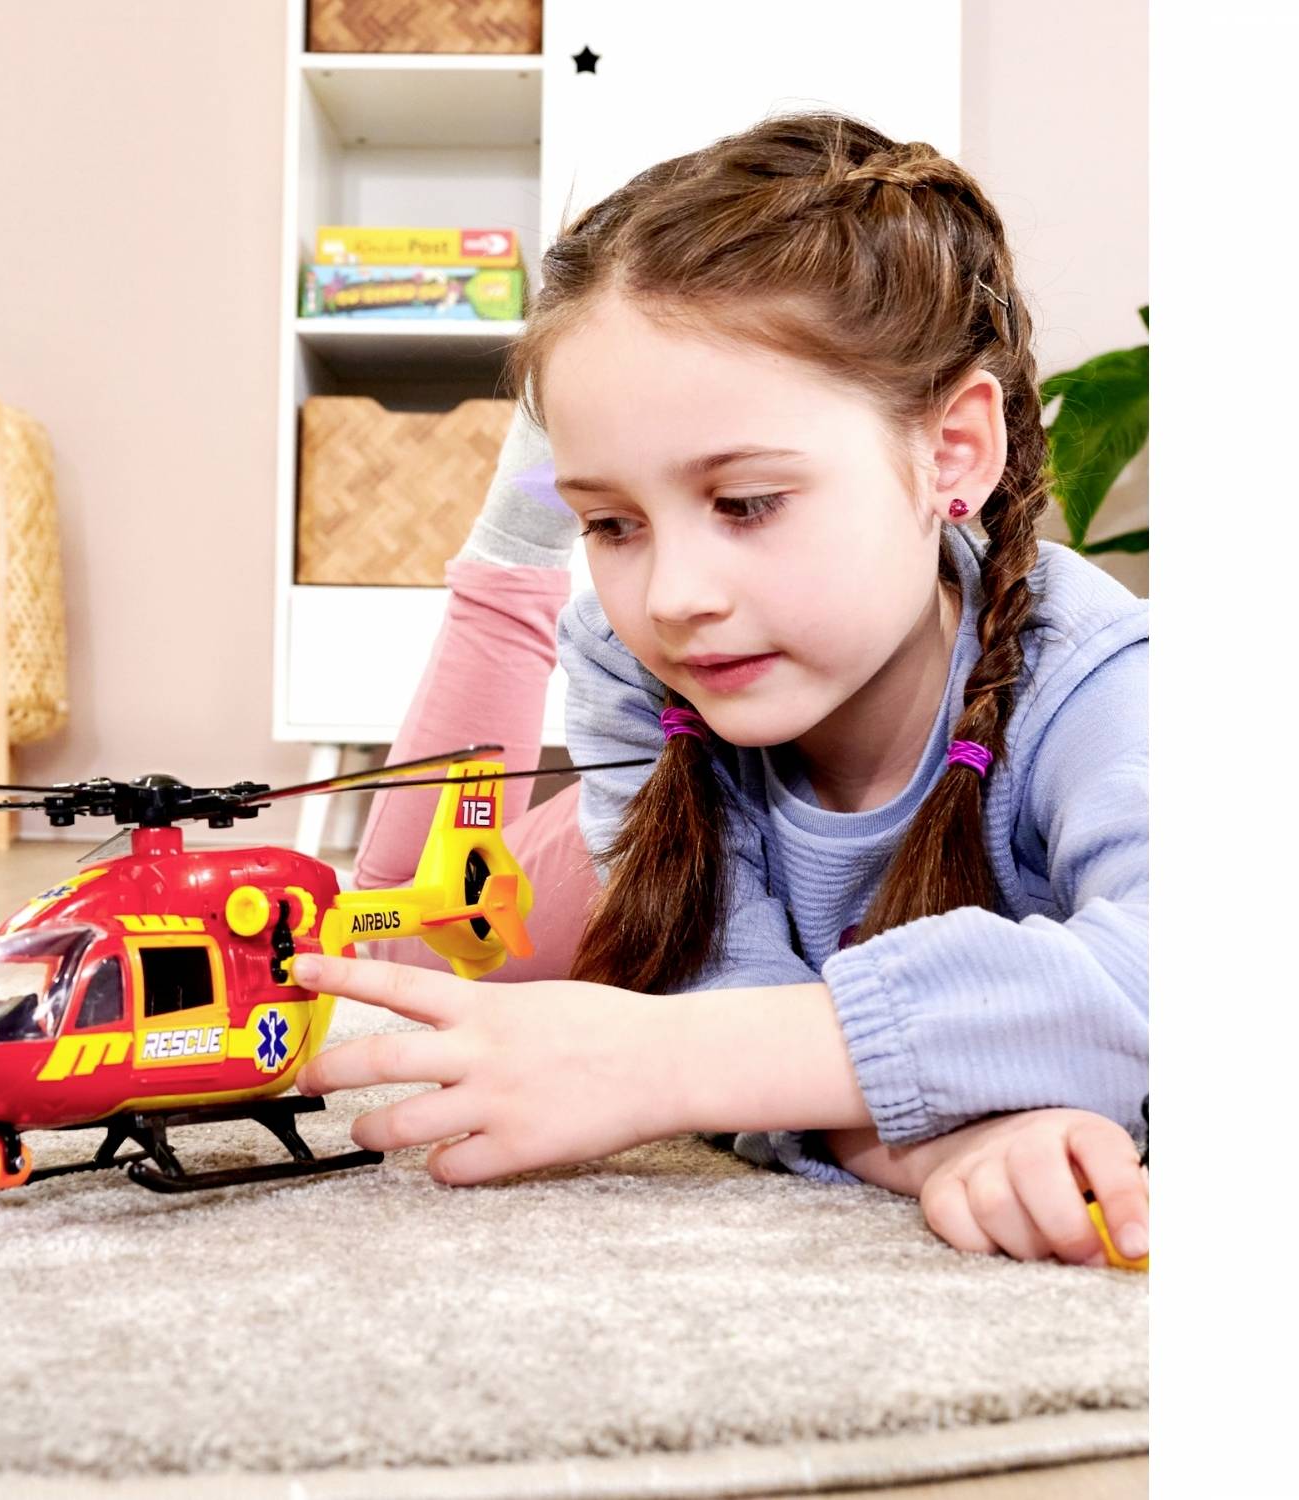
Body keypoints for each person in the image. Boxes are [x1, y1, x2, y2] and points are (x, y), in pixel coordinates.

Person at [294, 111, 1149, 1270]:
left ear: (952, 452)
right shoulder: (625, 651)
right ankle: (524, 531)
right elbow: (729, 981)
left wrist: (659, 1061)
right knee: (402, 945)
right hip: (644, 806)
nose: (676, 596)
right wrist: (941, 1143)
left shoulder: (1112, 684)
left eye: (745, 502)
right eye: (613, 522)